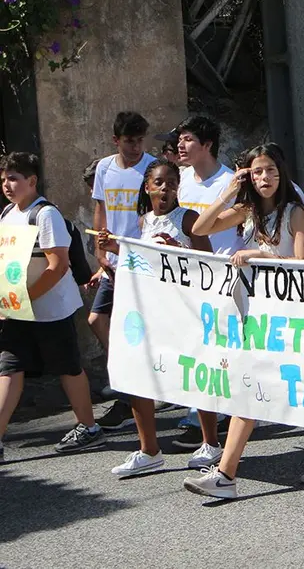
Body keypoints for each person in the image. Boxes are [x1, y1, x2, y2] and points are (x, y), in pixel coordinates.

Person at [183, 143, 304, 498]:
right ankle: (227, 475)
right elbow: (201, 226)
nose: (264, 178)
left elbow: (303, 265)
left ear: (281, 172)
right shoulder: (248, 210)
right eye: (256, 172)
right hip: (261, 314)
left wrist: (260, 253)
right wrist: (227, 191)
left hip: (292, 316)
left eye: (270, 169)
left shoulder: (294, 213)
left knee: (303, 385)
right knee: (250, 388)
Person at [102, 159, 213, 477]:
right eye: (160, 182)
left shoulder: (189, 218)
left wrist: (179, 248)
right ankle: (149, 449)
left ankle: (211, 443)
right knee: (140, 374)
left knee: (194, 375)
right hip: (151, 309)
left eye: (172, 182)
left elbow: (206, 264)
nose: (166, 188)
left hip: (184, 309)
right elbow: (140, 261)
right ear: (148, 187)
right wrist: (113, 248)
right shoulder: (142, 222)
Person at [0, 152, 104, 462]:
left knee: (68, 368)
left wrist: (25, 297)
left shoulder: (45, 215)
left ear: (31, 181)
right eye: (4, 179)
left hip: (51, 311)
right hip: (16, 311)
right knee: (9, 368)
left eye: (14, 178)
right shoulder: (7, 214)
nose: (7, 184)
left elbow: (57, 266)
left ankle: (88, 426)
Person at [172, 115, 241, 456]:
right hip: (188, 277)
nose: (180, 146)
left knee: (221, 346)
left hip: (224, 276)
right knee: (197, 345)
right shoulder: (181, 181)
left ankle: (223, 410)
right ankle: (205, 409)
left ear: (207, 145)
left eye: (187, 139)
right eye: (180, 140)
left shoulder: (230, 181)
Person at [90, 111, 156, 431]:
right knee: (97, 319)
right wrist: (100, 252)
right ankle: (127, 379)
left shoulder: (152, 168)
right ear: (116, 141)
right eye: (130, 141)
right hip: (113, 261)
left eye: (140, 140)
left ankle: (133, 389)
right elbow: (100, 209)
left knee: (139, 326)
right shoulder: (104, 167)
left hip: (140, 261)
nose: (135, 147)